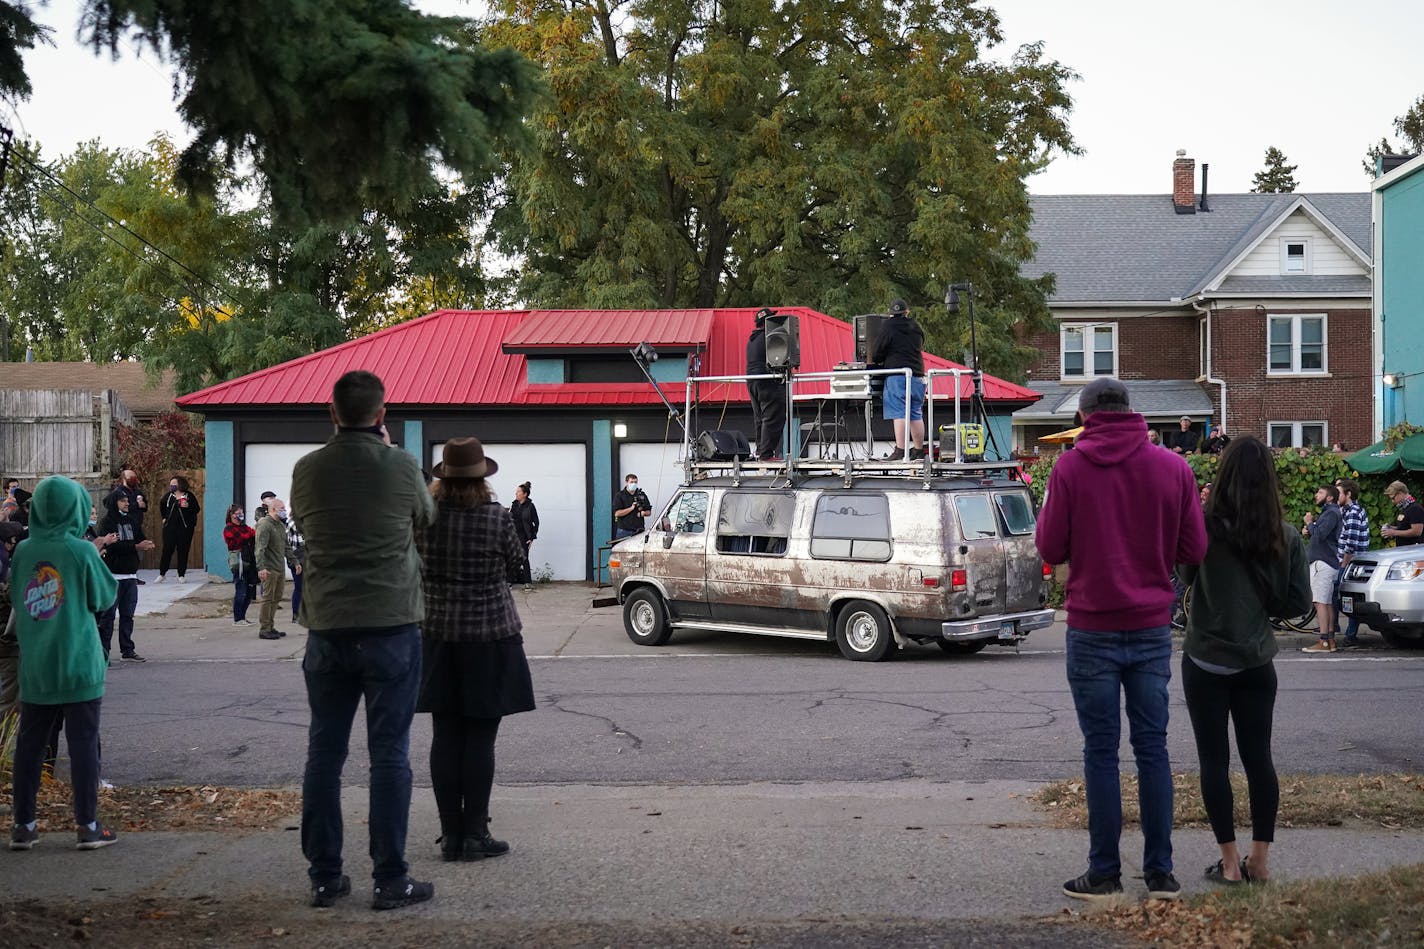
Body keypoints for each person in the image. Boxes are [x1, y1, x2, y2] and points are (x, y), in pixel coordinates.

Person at [1036, 377, 1207, 903]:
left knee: (1101, 751)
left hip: (1091, 627)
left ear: (1085, 417)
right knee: (1152, 748)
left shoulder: (1069, 467)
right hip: (1152, 626)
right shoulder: (1173, 467)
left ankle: (1104, 872)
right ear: (1133, 412)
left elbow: (1049, 545)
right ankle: (1160, 873)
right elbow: (1194, 547)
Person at [289, 370, 437, 911]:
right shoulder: (400, 464)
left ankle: (325, 876)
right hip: (391, 625)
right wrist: (390, 454)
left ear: (332, 412)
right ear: (382, 415)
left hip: (327, 626)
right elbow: (427, 515)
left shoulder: (306, 469)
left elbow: (306, 519)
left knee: (323, 754)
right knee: (389, 755)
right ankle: (389, 878)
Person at [1178, 436, 1310, 887]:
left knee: (1213, 762)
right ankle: (1261, 861)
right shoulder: (1286, 536)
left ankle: (1230, 864)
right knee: (1260, 761)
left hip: (1205, 659)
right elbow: (1298, 603)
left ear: (1224, 478)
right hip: (1256, 663)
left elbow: (1185, 576)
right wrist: (1259, 611)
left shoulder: (1203, 527)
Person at [414, 437, 535, 863]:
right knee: (481, 737)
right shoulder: (496, 517)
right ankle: (476, 833)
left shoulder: (424, 520)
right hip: (490, 635)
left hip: (437, 634)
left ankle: (450, 835)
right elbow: (517, 565)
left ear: (442, 478)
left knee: (445, 735)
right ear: (482, 477)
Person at [7, 476, 121, 852]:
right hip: (79, 663)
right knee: (84, 743)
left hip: (36, 665)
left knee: (30, 744)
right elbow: (104, 597)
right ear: (74, 508)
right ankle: (88, 825)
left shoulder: (23, 550)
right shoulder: (81, 550)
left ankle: (23, 824)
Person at [96, 490, 155, 662]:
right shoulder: (107, 522)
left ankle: (127, 650)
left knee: (128, 615)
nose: (127, 503)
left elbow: (139, 538)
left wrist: (146, 543)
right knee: (108, 617)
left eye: (127, 500)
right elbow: (113, 547)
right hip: (113, 576)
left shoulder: (131, 520)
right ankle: (103, 652)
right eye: (123, 501)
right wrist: (136, 547)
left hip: (130, 575)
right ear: (115, 502)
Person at [871, 298, 927, 460]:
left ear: (891, 314)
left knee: (899, 412)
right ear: (906, 312)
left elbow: (876, 353)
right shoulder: (915, 326)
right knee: (915, 413)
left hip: (898, 375)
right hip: (918, 375)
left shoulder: (888, 326)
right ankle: (918, 450)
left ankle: (900, 450)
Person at [1300, 485, 1342, 654]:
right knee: (1327, 602)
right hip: (1328, 562)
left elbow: (1320, 535)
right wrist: (1310, 530)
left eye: (1320, 493)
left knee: (1320, 602)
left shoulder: (1331, 513)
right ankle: (1330, 640)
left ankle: (1323, 640)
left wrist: (1310, 523)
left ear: (1330, 497)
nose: (1316, 495)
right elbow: (1320, 534)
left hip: (1322, 562)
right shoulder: (1331, 512)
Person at [745, 307, 786, 461]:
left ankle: (760, 451)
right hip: (765, 379)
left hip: (751, 380)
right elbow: (779, 359)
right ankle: (766, 454)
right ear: (767, 322)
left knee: (760, 417)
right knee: (772, 415)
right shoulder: (770, 337)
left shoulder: (752, 339)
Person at [1335, 479, 1370, 647]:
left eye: (1339, 492)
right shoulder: (1346, 510)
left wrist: (1343, 565)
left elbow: (1351, 544)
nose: (1336, 496)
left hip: (1350, 564)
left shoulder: (1353, 512)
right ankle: (1348, 634)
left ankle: (1349, 635)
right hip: (1347, 562)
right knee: (1347, 598)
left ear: (1348, 494)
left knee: (1347, 598)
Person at [254, 497, 292, 641]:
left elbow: (286, 546)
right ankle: (264, 629)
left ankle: (270, 626)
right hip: (269, 568)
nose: (284, 511)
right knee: (267, 598)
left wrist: (294, 562)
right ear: (273, 509)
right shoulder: (264, 525)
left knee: (276, 598)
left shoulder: (280, 525)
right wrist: (261, 567)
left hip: (279, 567)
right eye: (282, 509)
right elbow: (260, 549)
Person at [157, 475, 200, 582]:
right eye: (171, 484)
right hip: (169, 528)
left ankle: (181, 574)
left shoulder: (189, 496)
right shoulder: (168, 496)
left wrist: (188, 506)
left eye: (174, 484)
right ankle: (162, 573)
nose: (172, 486)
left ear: (181, 484)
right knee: (167, 549)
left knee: (183, 550)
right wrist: (164, 518)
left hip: (185, 528)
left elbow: (196, 509)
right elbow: (162, 506)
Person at [223, 505, 258, 626]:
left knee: (249, 592)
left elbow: (253, 534)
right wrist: (250, 535)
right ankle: (237, 619)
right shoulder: (229, 528)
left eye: (241, 512)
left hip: (249, 560)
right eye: (238, 513)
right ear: (232, 515)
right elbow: (241, 538)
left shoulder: (244, 527)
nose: (240, 515)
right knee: (241, 591)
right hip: (239, 561)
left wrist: (252, 534)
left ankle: (243, 617)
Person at [510, 481, 539, 590]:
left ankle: (528, 582)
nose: (516, 493)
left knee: (524, 558)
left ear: (525, 494)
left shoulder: (530, 506)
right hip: (513, 536)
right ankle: (509, 582)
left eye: (518, 492)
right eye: (516, 492)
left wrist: (532, 537)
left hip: (524, 536)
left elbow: (536, 522)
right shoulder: (514, 505)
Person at [1380, 481, 1424, 546]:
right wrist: (1391, 528)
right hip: (1405, 549)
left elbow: (1417, 532)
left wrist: (1394, 532)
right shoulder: (1405, 508)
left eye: (1393, 498)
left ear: (1400, 493)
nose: (1393, 501)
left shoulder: (1415, 508)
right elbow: (1405, 528)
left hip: (1413, 550)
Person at [286, 506, 307, 625]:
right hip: (297, 557)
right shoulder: (293, 522)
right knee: (299, 587)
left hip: (303, 555)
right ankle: (296, 614)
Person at [614, 474, 650, 539]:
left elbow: (649, 511)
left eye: (635, 482)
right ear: (626, 482)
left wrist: (643, 513)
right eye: (631, 482)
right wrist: (631, 508)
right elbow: (617, 513)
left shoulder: (641, 495)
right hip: (624, 531)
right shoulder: (620, 496)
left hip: (639, 531)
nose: (634, 484)